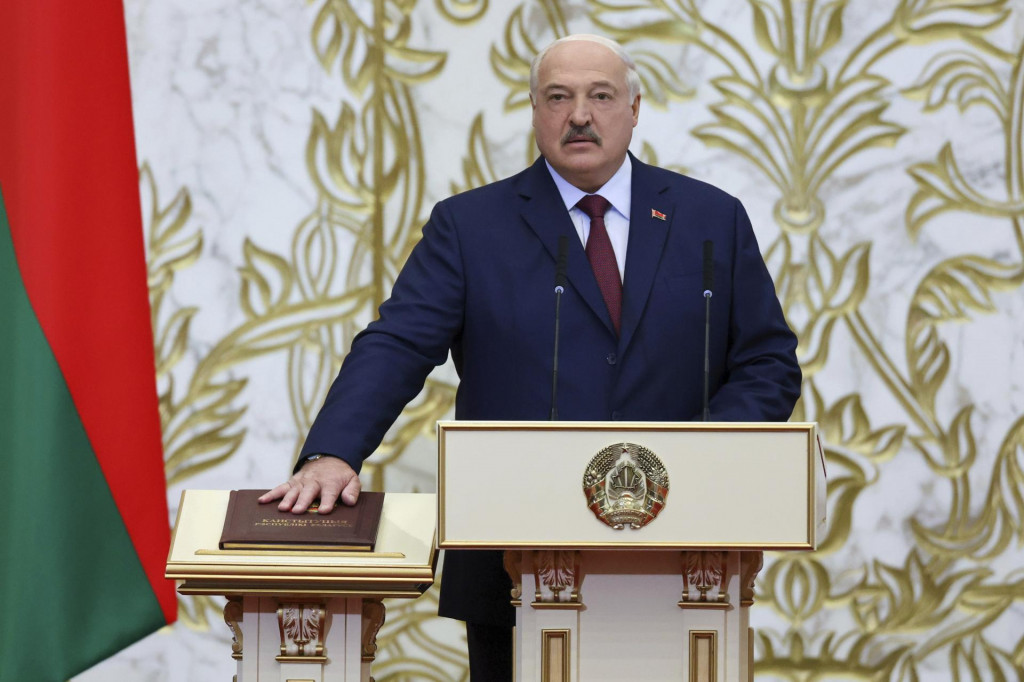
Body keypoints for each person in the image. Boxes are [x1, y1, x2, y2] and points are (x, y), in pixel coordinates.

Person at [260, 34, 801, 680]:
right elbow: (398, 342)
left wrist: (699, 456)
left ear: (634, 109)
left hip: (683, 558)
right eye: (559, 97)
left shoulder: (711, 219)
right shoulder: (471, 226)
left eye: (600, 96)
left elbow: (768, 362)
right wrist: (334, 452)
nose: (580, 115)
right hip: (512, 565)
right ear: (535, 111)